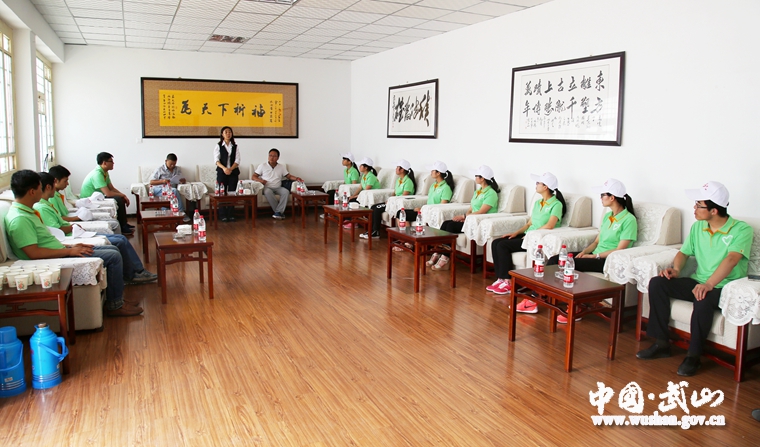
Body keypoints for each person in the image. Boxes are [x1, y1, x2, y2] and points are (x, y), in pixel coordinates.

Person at [636, 181, 753, 377]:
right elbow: (683, 252)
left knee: (703, 298)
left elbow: (732, 259)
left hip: (724, 287)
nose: (694, 208)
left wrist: (709, 284)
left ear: (714, 210)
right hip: (699, 281)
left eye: (699, 205)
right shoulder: (699, 227)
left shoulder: (741, 230)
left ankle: (693, 356)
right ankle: (661, 343)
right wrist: (676, 269)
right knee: (658, 283)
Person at [5, 170, 142, 317]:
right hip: (51, 258)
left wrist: (70, 246)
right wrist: (69, 251)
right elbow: (33, 253)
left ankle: (117, 298)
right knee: (113, 256)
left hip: (60, 249)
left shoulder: (28, 212)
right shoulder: (20, 219)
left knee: (113, 248)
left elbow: (44, 241)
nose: (42, 190)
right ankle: (115, 305)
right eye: (39, 187)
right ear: (32, 191)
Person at [35, 172, 158, 286]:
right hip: (70, 236)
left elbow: (60, 222)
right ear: (49, 186)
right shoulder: (41, 207)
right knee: (118, 244)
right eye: (65, 181)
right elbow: (58, 230)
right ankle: (131, 276)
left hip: (73, 234)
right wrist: (74, 226)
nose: (67, 184)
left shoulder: (48, 202)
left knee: (121, 238)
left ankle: (138, 271)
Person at [546, 178, 637, 323]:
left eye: (602, 195)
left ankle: (575, 308)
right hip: (595, 255)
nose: (600, 198)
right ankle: (545, 297)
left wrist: (594, 257)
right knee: (555, 259)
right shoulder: (608, 216)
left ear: (612, 197)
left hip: (608, 261)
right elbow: (596, 242)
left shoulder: (629, 220)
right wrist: (585, 252)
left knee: (569, 264)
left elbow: (620, 250)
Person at [487, 172, 566, 305]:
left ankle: (508, 281)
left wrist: (530, 235)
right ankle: (501, 278)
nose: (536, 185)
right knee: (496, 242)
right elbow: (529, 224)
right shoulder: (538, 202)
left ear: (546, 186)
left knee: (502, 245)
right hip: (528, 234)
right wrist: (515, 233)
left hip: (536, 238)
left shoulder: (556, 204)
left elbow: (550, 225)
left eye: (538, 183)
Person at [427, 165, 498, 271]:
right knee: (445, 223)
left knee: (451, 226)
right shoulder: (478, 191)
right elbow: (471, 209)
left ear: (482, 178)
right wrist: (466, 217)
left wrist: (464, 217)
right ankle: (438, 251)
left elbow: (481, 212)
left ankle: (445, 258)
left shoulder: (491, 193)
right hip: (471, 219)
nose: (475, 178)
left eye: (476, 176)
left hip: (479, 222)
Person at [48, 165, 121, 235]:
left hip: (72, 219)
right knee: (115, 224)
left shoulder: (57, 195)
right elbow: (60, 218)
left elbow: (64, 213)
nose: (67, 184)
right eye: (65, 181)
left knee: (114, 222)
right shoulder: (52, 198)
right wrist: (77, 217)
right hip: (71, 223)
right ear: (56, 181)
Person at [360, 159, 416, 239]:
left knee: (377, 209)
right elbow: (395, 192)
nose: (395, 169)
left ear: (402, 169)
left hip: (399, 204)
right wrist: (389, 200)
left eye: (397, 167)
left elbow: (404, 196)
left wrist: (391, 202)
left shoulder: (408, 182)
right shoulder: (399, 180)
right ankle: (371, 230)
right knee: (373, 207)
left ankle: (375, 232)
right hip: (393, 202)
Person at [80, 152, 133, 235]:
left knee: (120, 198)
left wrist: (123, 195)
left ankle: (124, 223)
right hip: (89, 200)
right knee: (118, 199)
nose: (113, 163)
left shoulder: (104, 172)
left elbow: (112, 188)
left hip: (98, 197)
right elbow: (108, 193)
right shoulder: (97, 174)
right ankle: (123, 226)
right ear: (104, 163)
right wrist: (122, 195)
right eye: (111, 161)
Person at [252, 148, 303, 220]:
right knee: (268, 192)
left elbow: (288, 176)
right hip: (267, 187)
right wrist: (260, 180)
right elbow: (253, 176)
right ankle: (279, 212)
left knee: (286, 192)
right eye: (270, 155)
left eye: (274, 156)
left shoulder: (281, 167)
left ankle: (278, 212)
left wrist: (297, 178)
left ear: (278, 158)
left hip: (278, 187)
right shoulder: (263, 166)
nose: (272, 157)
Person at [150, 153, 190, 222]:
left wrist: (182, 181)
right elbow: (151, 182)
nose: (172, 166)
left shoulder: (177, 169)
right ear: (166, 161)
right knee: (174, 191)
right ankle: (181, 212)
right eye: (171, 164)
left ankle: (167, 214)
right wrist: (163, 181)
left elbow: (180, 178)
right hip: (159, 189)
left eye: (174, 164)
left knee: (173, 191)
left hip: (170, 189)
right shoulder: (159, 169)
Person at [214, 126, 241, 222]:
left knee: (232, 193)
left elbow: (237, 160)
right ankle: (222, 214)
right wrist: (225, 168)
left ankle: (231, 214)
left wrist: (230, 169)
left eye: (230, 132)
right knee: (221, 193)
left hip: (233, 172)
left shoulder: (235, 146)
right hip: (222, 172)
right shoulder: (218, 146)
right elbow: (216, 160)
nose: (228, 134)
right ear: (222, 134)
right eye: (226, 132)